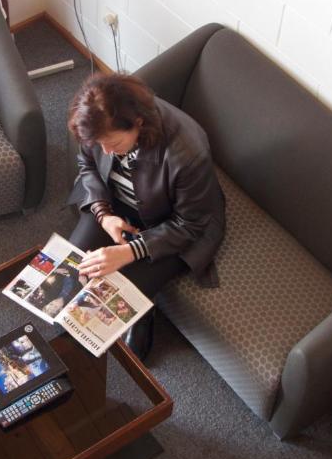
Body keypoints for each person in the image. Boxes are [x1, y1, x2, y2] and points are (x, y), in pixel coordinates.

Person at [67, 73, 225, 358]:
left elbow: (191, 224)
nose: (105, 151)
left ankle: (144, 310)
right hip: (116, 203)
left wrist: (129, 251)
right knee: (72, 267)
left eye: (113, 143)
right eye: (100, 143)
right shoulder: (94, 123)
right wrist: (104, 215)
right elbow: (87, 164)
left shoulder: (187, 151)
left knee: (116, 295)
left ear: (138, 123)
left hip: (173, 222)